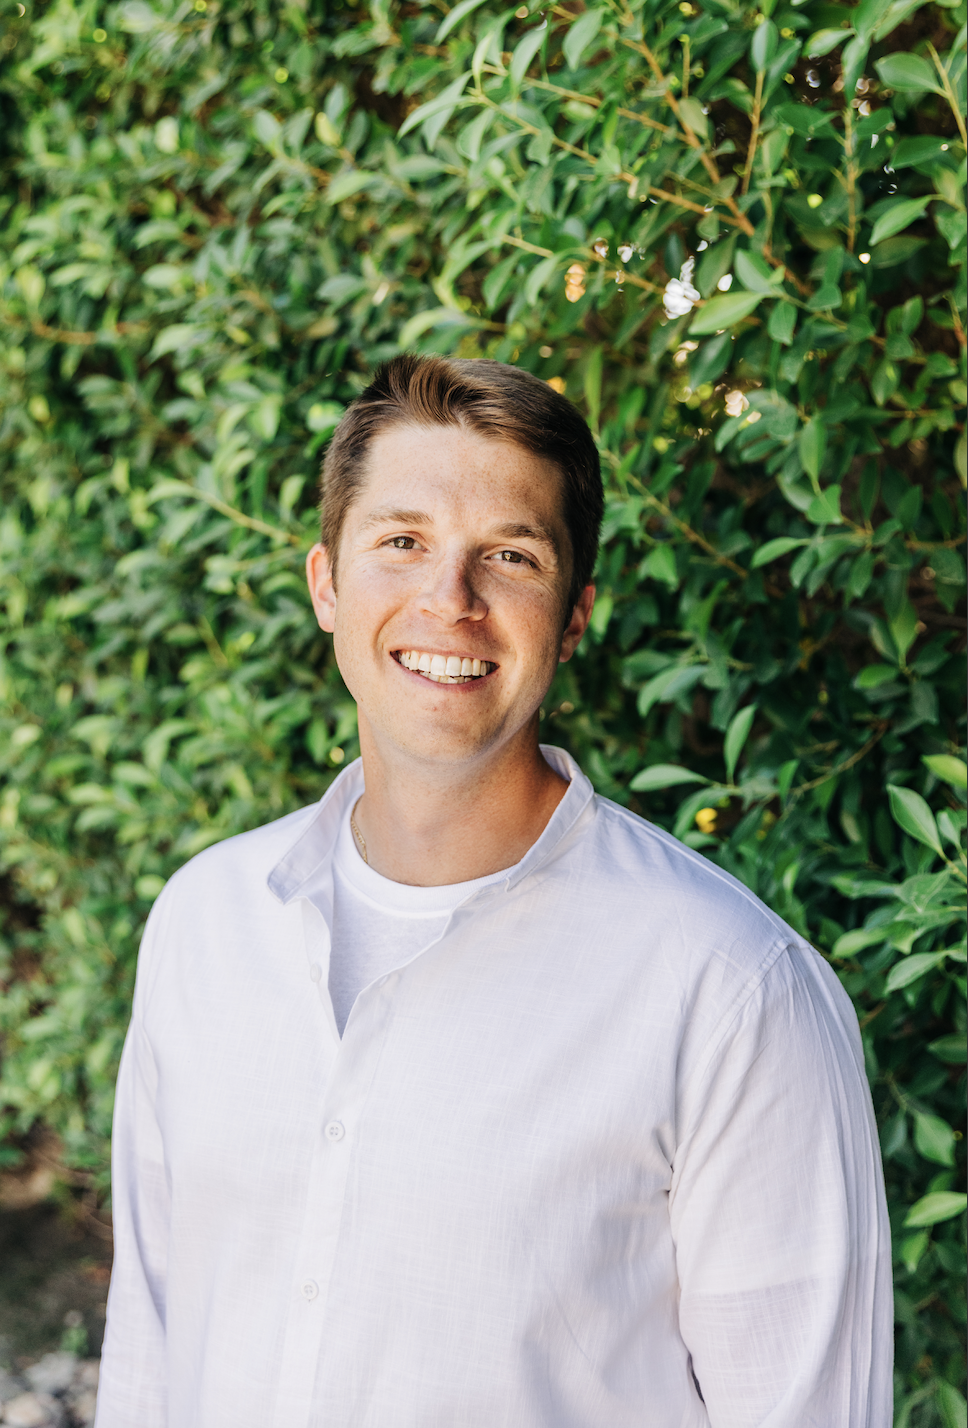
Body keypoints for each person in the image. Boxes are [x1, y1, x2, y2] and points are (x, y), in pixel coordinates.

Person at [95, 355, 892, 1428]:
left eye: (510, 557)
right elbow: (150, 1348)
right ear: (326, 583)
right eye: (401, 542)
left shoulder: (734, 992)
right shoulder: (205, 921)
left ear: (572, 616)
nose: (449, 601)